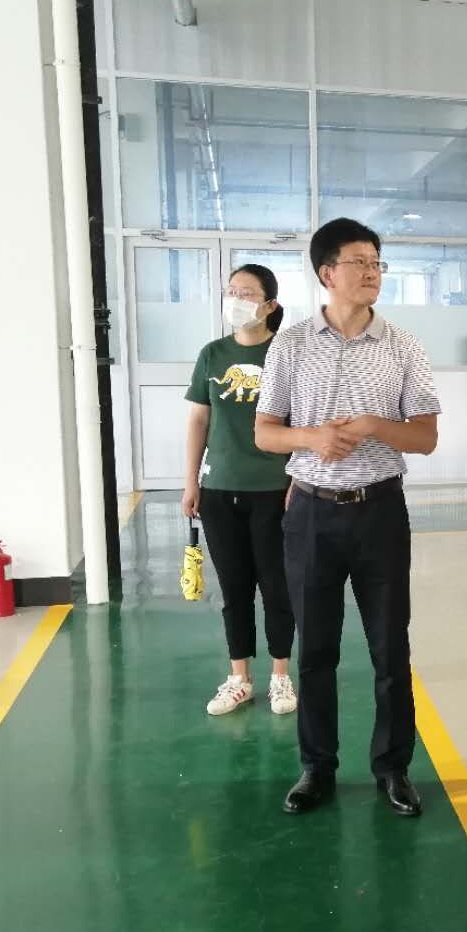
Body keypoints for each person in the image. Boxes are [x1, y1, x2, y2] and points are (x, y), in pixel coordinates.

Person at [254, 218, 442, 819]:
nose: (372, 272)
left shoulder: (403, 346)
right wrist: (312, 438)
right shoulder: (291, 345)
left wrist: (373, 427)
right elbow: (265, 432)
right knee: (317, 650)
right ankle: (317, 767)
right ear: (326, 273)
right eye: (359, 262)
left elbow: (426, 437)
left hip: (379, 511)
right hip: (310, 513)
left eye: (377, 262)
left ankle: (393, 768)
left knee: (390, 646)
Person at [182, 264, 297, 718]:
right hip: (218, 490)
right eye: (231, 291)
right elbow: (199, 419)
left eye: (246, 293)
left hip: (274, 490)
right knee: (234, 589)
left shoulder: (285, 354)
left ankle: (281, 676)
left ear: (269, 305)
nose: (235, 299)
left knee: (276, 587)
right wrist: (191, 481)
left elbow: (303, 422)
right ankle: (240, 678)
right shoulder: (212, 354)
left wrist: (297, 481)